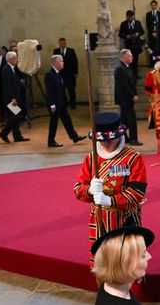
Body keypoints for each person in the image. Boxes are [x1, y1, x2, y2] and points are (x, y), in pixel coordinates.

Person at [73, 112, 148, 263]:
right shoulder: (91, 158)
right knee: (102, 261)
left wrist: (110, 201)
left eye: (109, 140)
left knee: (127, 262)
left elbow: (137, 192)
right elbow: (78, 189)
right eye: (101, 141)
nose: (105, 145)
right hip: (100, 218)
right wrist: (89, 190)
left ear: (119, 137)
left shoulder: (133, 157)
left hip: (125, 219)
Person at [45, 54, 83, 148]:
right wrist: (52, 105)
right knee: (54, 123)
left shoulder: (58, 73)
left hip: (61, 103)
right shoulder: (49, 74)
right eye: (61, 61)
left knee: (67, 120)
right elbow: (50, 91)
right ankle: (51, 141)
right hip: (55, 104)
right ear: (55, 63)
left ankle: (74, 137)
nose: (63, 63)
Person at [0, 51, 29, 143]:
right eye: (15, 58)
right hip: (11, 98)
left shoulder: (13, 68)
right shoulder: (6, 70)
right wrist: (12, 99)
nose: (17, 60)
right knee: (16, 116)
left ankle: (17, 136)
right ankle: (4, 133)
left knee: (16, 116)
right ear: (10, 59)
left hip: (15, 96)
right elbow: (8, 86)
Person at [114, 50, 142, 146]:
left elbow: (132, 83)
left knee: (124, 120)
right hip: (125, 98)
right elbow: (124, 85)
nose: (132, 57)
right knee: (131, 119)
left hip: (127, 98)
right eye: (130, 56)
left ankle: (123, 137)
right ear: (124, 57)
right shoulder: (120, 68)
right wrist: (132, 95)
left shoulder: (127, 67)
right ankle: (133, 139)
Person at [53, 37, 79, 109]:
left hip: (70, 74)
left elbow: (75, 62)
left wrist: (76, 72)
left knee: (71, 90)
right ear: (59, 44)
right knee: (61, 90)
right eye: (61, 43)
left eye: (63, 43)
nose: (62, 44)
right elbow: (54, 62)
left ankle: (73, 104)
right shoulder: (56, 51)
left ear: (65, 43)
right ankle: (63, 104)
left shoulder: (71, 51)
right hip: (60, 74)